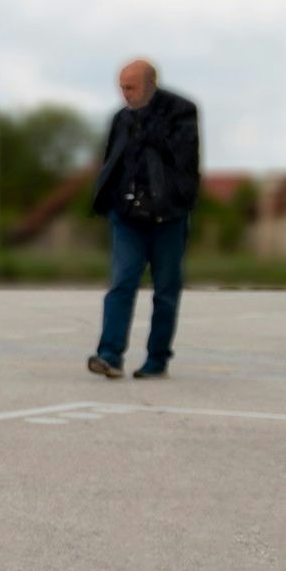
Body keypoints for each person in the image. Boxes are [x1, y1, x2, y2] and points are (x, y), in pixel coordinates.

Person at [88, 59, 199, 379]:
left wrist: (147, 120)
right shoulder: (122, 118)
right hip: (127, 218)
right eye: (121, 88)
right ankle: (109, 355)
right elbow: (112, 160)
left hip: (169, 217)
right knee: (121, 284)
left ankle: (157, 359)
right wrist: (107, 200)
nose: (125, 94)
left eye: (131, 87)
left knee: (165, 291)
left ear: (151, 84)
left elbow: (183, 157)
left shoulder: (181, 111)